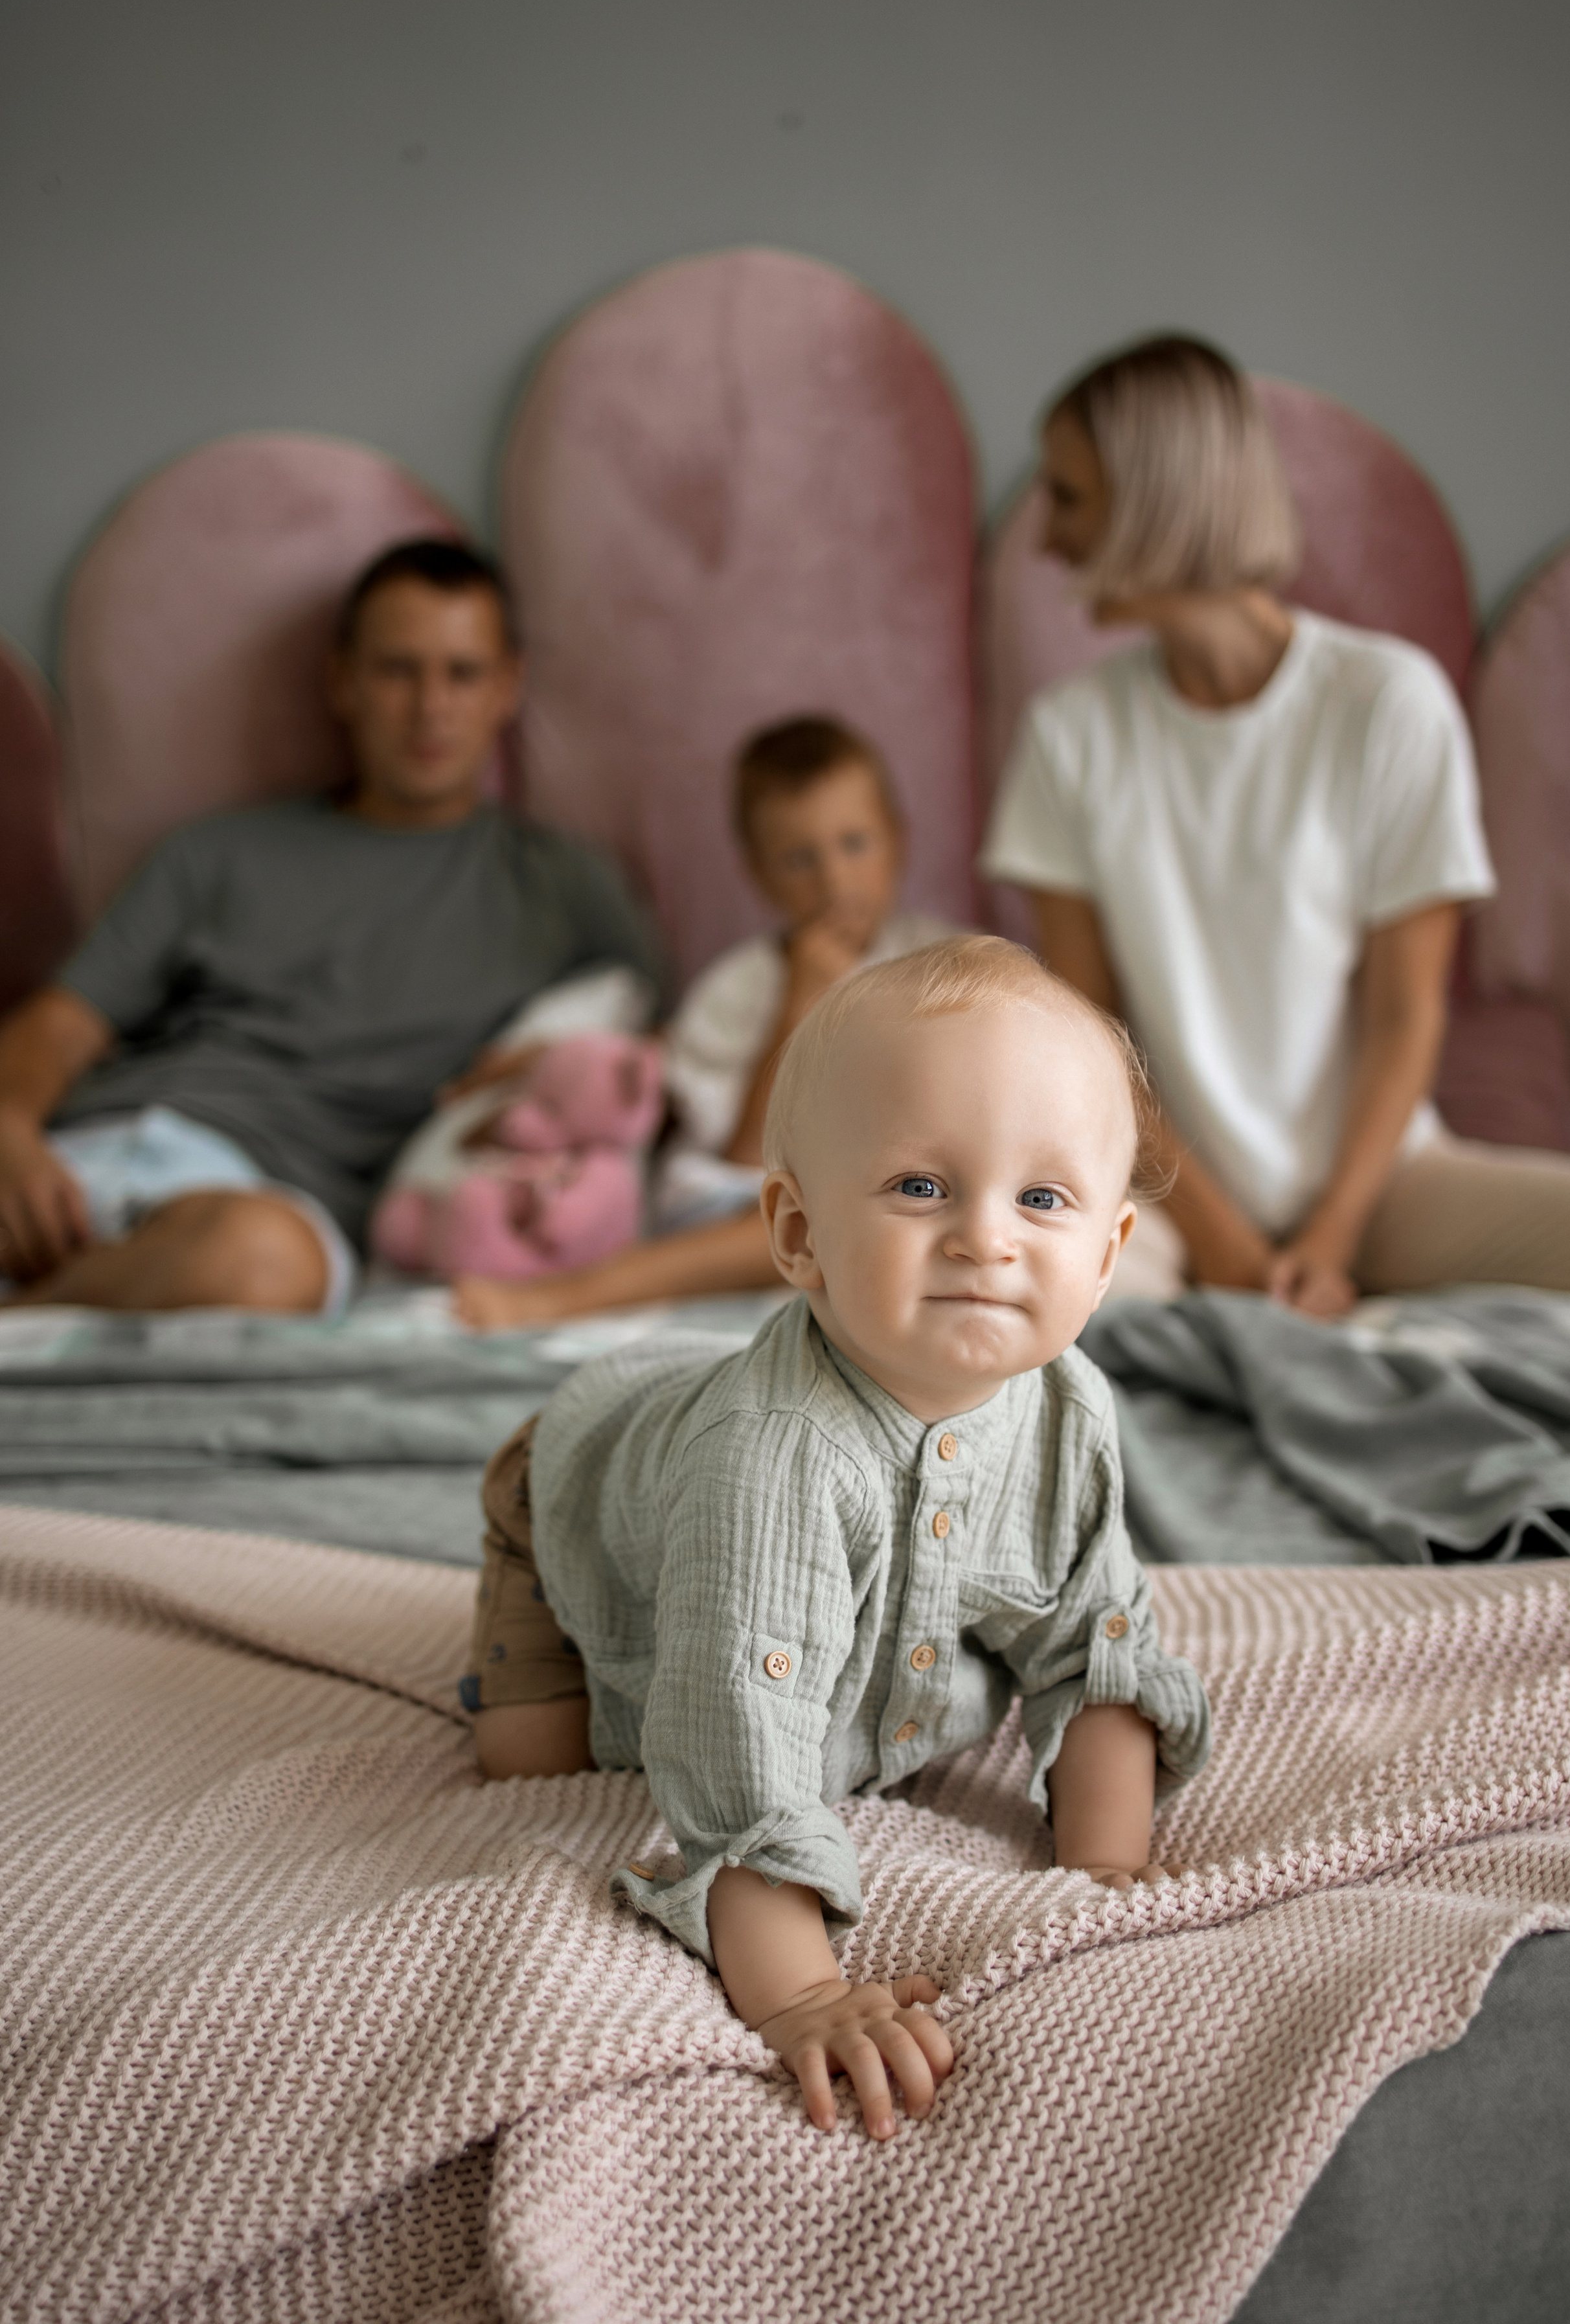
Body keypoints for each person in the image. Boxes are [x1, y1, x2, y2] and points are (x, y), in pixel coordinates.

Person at [462, 937, 1211, 2136]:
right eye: (922, 1187)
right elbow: (736, 1760)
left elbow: (1093, 1644)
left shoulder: (1072, 1412)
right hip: (575, 1503)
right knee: (538, 1775)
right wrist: (805, 1997)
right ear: (799, 1235)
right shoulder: (775, 1463)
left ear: (1110, 1254)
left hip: (709, 1463)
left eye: (1044, 1198)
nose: (986, 1238)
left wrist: (1104, 1872)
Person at [981, 333, 1570, 1314]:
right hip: (1164, 1202)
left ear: (1158, 498)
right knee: (1038, 1308)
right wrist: (1229, 1249)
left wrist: (1332, 1238)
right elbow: (1095, 1040)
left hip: (1387, 1187)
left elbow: (1405, 1014)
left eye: (1072, 501)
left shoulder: (1388, 703)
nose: (1048, 542)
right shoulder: (1069, 735)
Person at [0, 540, 659, 1314]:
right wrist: (9, 1131)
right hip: (72, 1162)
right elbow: (61, 1023)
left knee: (264, 1265)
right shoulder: (218, 852)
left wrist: (543, 1073)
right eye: (396, 670)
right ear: (342, 681)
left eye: (462, 673)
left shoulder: (565, 888)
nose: (430, 707)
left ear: (507, 687)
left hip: (249, 1213)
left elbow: (660, 1073)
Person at [452, 714, 955, 1330]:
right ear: (759, 873)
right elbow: (746, 1160)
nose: (834, 881)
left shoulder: (943, 968)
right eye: (800, 859)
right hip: (734, 1203)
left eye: (855, 844)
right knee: (810, 1226)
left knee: (871, 1225)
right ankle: (569, 1299)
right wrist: (799, 1006)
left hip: (875, 1200)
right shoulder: (740, 988)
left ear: (898, 839)